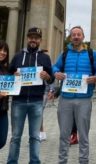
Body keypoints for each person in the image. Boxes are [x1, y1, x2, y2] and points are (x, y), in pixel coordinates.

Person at [53, 26, 96, 164]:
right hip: (65, 100)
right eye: (73, 34)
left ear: (83, 36)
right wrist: (56, 73)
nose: (76, 37)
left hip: (84, 99)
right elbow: (54, 67)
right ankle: (62, 161)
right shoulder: (65, 54)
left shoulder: (92, 54)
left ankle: (83, 161)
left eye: (78, 34)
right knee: (64, 134)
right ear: (70, 37)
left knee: (84, 135)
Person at [7, 27, 54, 163]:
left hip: (36, 102)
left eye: (36, 38)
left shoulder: (45, 58)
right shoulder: (17, 56)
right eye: (31, 37)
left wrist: (47, 77)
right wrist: (13, 75)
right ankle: (12, 162)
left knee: (34, 136)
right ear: (27, 38)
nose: (33, 40)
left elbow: (51, 79)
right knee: (15, 137)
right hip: (18, 102)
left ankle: (34, 161)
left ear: (40, 40)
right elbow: (8, 74)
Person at [0, 40, 9, 149]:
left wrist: (16, 77)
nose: (2, 52)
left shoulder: (5, 69)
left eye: (5, 51)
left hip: (2, 110)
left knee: (2, 140)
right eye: (0, 50)